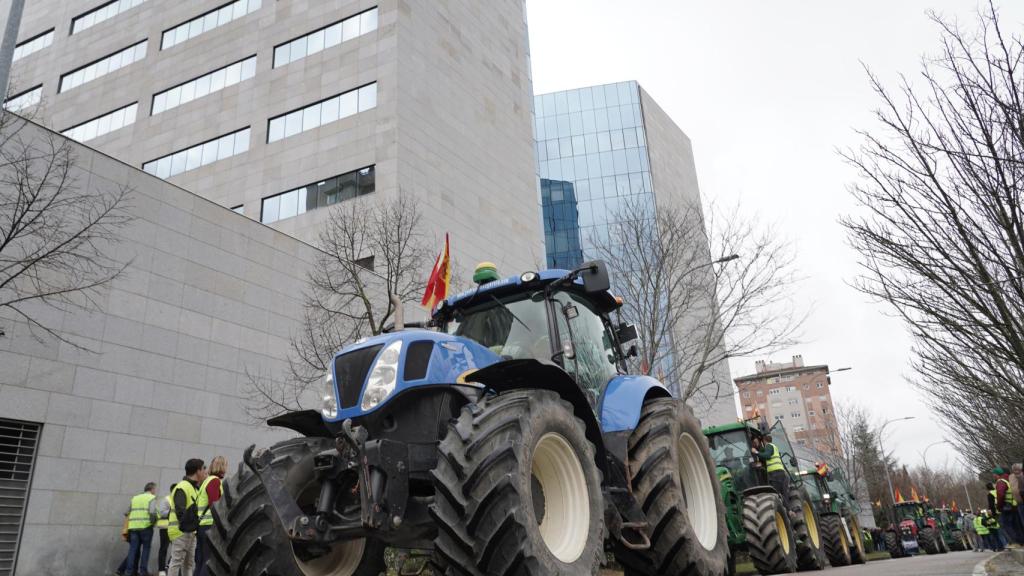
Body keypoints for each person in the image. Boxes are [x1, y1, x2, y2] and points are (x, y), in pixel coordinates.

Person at [167, 459, 208, 576]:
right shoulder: (183, 487)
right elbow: (180, 511)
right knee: (176, 563)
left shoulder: (194, 488)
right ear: (197, 471)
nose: (205, 471)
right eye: (203, 468)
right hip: (181, 532)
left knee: (188, 564)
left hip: (190, 531)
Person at [195, 456, 226, 576]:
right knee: (208, 562)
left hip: (203, 525)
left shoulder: (207, 481)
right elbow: (215, 505)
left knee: (201, 560)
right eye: (225, 466)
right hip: (210, 526)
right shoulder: (214, 481)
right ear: (221, 467)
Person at [119, 482, 158, 576]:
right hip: (146, 528)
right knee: (146, 549)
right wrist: (153, 523)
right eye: (155, 489)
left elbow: (126, 512)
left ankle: (128, 572)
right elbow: (152, 513)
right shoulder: (151, 498)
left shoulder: (135, 498)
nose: (155, 491)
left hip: (133, 528)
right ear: (152, 489)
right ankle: (143, 572)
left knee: (133, 549)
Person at [752, 434, 789, 500]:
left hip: (775, 473)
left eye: (757, 442)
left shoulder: (768, 446)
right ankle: (789, 509)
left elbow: (767, 456)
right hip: (779, 472)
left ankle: (785, 508)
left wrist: (756, 452)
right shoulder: (774, 446)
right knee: (782, 493)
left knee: (775, 493)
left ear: (763, 440)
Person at [994, 466, 1024, 546]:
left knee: (1006, 525)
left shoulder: (1000, 482)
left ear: (997, 474)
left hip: (1006, 506)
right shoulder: (1009, 480)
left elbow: (1000, 494)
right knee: (1016, 524)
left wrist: (999, 507)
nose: (993, 476)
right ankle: (1021, 541)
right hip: (1013, 505)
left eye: (994, 474)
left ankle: (1016, 542)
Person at [157, 484, 175, 576]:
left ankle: (168, 566)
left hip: (175, 528)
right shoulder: (167, 499)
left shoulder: (179, 500)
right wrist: (173, 511)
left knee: (177, 549)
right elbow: (162, 512)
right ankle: (161, 570)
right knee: (163, 549)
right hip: (165, 528)